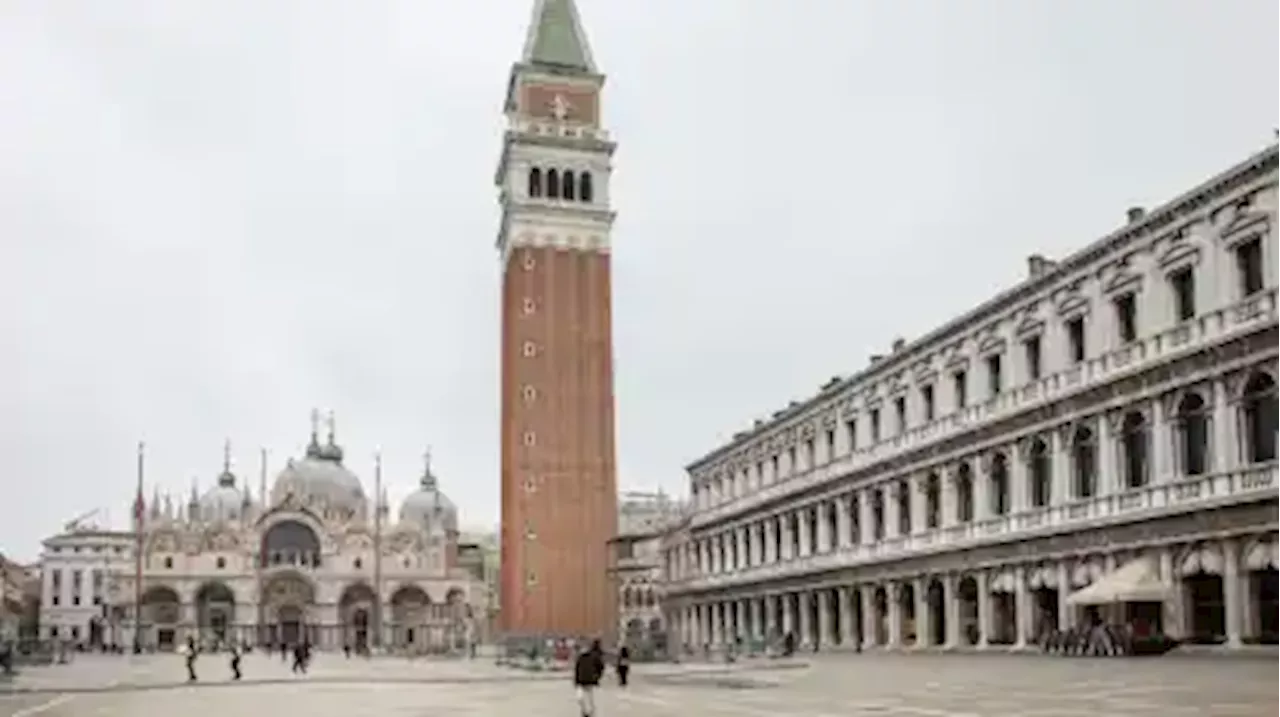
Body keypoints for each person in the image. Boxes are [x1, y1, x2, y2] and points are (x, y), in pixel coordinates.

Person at [572, 640, 605, 717]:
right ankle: (586, 711)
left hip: (591, 681)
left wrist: (597, 676)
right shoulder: (580, 658)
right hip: (582, 681)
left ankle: (589, 712)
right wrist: (576, 680)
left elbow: (600, 667)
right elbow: (577, 669)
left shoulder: (594, 656)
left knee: (590, 698)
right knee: (581, 698)